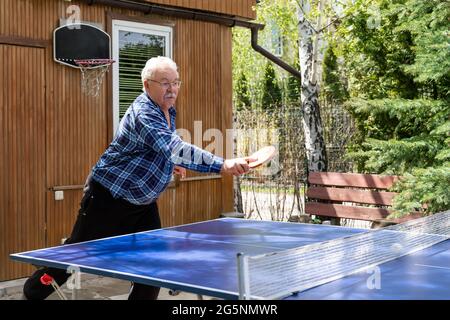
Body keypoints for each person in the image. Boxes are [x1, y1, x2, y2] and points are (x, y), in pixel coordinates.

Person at [23, 56, 253, 300]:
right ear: (146, 85)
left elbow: (159, 150)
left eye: (176, 83)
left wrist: (169, 164)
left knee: (155, 265)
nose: (172, 89)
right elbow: (173, 147)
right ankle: (31, 293)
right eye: (164, 83)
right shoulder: (144, 112)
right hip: (108, 196)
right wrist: (222, 164)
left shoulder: (167, 110)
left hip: (142, 202)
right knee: (75, 257)